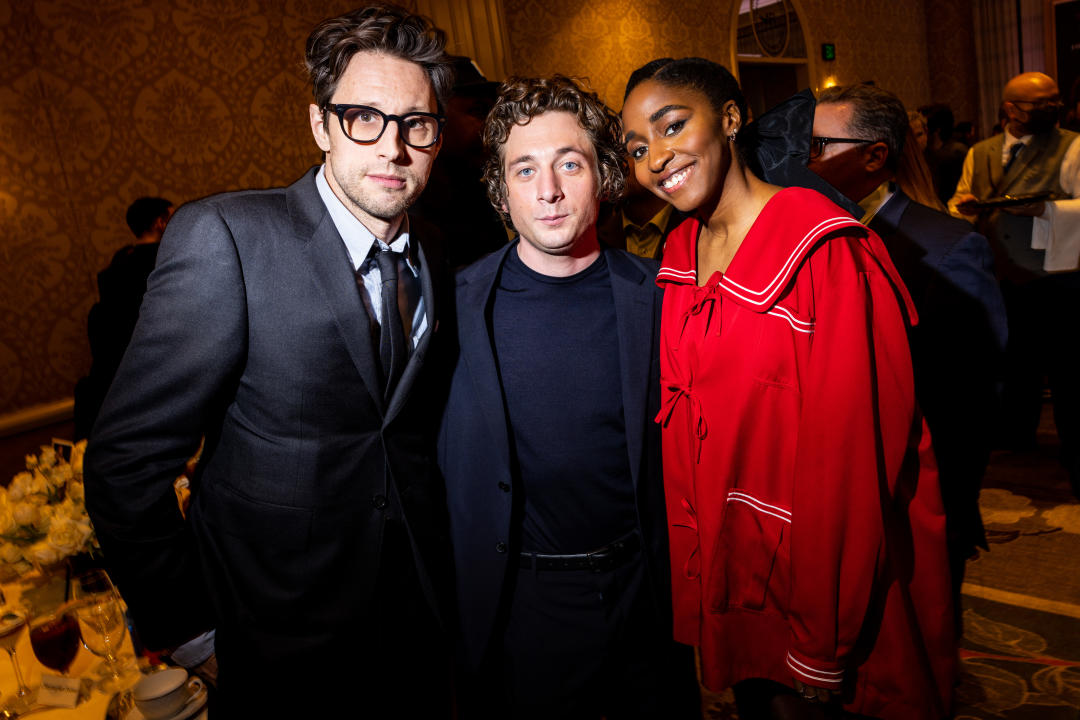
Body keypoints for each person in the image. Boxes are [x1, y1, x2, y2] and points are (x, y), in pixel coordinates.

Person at [83, 6, 454, 715]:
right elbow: (125, 462)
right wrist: (193, 635)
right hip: (274, 635)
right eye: (363, 118)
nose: (393, 148)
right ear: (320, 124)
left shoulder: (436, 247)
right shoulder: (226, 236)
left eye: (417, 124)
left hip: (415, 620)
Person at [621, 58, 956, 720]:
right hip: (736, 574)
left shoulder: (824, 251)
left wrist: (821, 640)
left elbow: (853, 461)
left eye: (672, 125)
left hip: (821, 594)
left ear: (732, 119)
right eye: (636, 147)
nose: (656, 157)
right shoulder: (679, 254)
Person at [439, 75, 698, 719]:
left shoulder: (661, 297)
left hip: (644, 595)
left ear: (604, 174)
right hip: (522, 605)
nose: (548, 191)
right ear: (501, 189)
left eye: (569, 164)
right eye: (524, 169)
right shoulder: (456, 308)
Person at [808, 83, 1008, 632]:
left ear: (875, 156)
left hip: (914, 489)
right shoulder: (804, 237)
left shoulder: (946, 245)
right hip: (832, 488)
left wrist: (950, 507)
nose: (803, 159)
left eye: (819, 145)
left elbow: (974, 395)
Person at [950, 71, 1080, 493]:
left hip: (1055, 276)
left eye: (1055, 101)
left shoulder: (1073, 145)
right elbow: (960, 201)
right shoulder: (981, 152)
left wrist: (1045, 210)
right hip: (1000, 274)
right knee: (1012, 361)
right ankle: (1016, 439)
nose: (1052, 109)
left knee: (1066, 369)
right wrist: (964, 209)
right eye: (1040, 103)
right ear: (1010, 109)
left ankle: (1074, 449)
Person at [74, 197, 173, 440]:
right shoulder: (168, 259)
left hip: (121, 377)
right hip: (163, 369)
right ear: (161, 222)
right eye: (173, 217)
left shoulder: (119, 263)